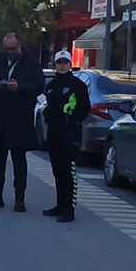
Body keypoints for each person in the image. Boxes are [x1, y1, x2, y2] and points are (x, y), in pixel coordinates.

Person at [0, 33, 45, 212]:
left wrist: (20, 88)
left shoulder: (30, 64)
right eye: (7, 49)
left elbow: (39, 86)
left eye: (12, 49)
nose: (9, 52)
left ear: (19, 47)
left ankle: (19, 199)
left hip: (19, 119)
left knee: (19, 160)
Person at [42, 51, 91, 223]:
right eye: (59, 62)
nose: (62, 65)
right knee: (57, 171)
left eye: (65, 62)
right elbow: (47, 105)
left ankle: (69, 210)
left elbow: (85, 108)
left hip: (70, 134)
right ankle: (59, 205)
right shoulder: (51, 85)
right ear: (54, 65)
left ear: (70, 64)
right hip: (54, 133)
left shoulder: (77, 85)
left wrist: (73, 119)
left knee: (68, 172)